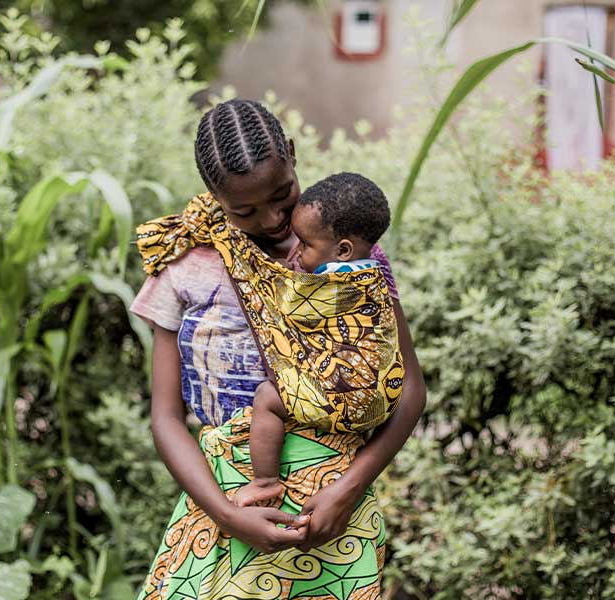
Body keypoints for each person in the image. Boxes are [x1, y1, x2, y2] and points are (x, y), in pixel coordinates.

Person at [132, 99, 426, 599]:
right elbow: (165, 416)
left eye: (282, 196)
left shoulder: (350, 258)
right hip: (223, 498)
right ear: (213, 196)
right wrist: (226, 514)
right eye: (243, 210)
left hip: (331, 510)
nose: (272, 220)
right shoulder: (186, 262)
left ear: (291, 155)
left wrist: (347, 490)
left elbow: (410, 391)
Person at [233, 172, 401, 509]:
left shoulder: (335, 283)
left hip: (347, 395)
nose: (297, 254)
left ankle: (264, 481)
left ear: (342, 250)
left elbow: (285, 308)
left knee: (268, 397)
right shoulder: (374, 276)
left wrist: (277, 275)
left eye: (306, 246)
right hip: (384, 394)